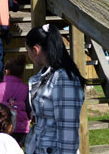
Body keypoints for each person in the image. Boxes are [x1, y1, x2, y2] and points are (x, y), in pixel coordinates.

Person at [24, 24, 86, 154]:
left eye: (28, 51)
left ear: (35, 50)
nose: (28, 55)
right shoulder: (46, 76)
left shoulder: (64, 79)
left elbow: (68, 134)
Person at [0, 55, 30, 145]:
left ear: (7, 71)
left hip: (1, 126)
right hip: (20, 129)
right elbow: (29, 108)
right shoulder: (26, 88)